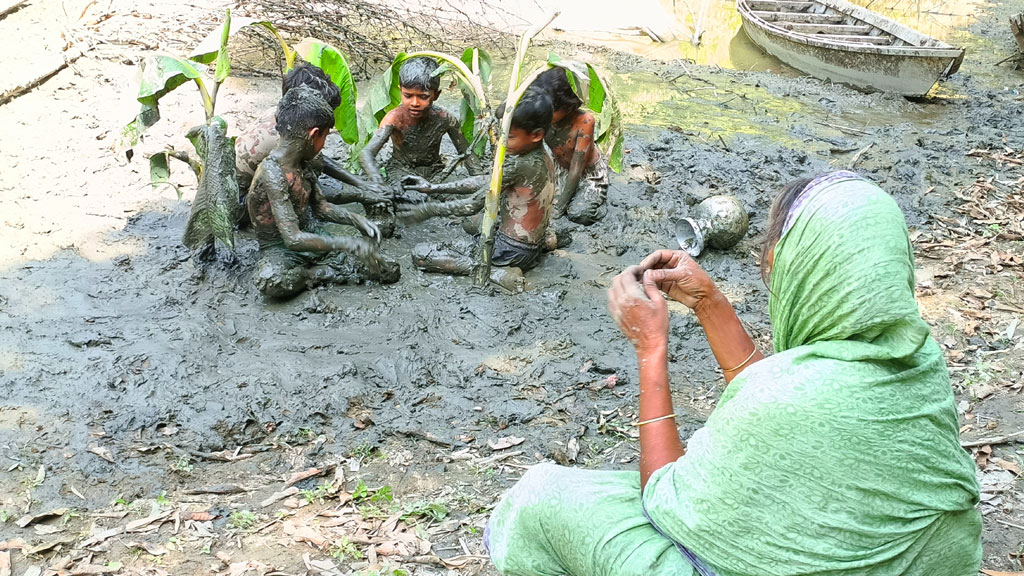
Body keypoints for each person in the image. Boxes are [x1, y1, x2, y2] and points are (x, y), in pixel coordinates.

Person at [485, 171, 982, 575]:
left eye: (777, 252)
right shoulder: (918, 362)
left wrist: (650, 348)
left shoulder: (785, 401)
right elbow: (783, 399)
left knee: (540, 499)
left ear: (810, 271)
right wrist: (709, 302)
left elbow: (664, 499)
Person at [247, 86, 400, 299]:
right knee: (271, 281)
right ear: (314, 135)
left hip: (313, 235)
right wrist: (347, 243)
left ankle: (330, 267)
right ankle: (318, 274)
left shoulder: (303, 163)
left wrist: (355, 219)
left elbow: (321, 207)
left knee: (389, 270)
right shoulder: (272, 173)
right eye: (326, 136)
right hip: (280, 249)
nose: (324, 144)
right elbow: (292, 239)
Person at [396, 90, 556, 290]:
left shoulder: (518, 164)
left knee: (420, 254)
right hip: (533, 243)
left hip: (512, 249)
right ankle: (544, 245)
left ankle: (493, 271)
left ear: (536, 135)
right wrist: (433, 187)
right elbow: (487, 181)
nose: (502, 142)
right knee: (471, 224)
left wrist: (429, 210)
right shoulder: (543, 156)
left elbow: (472, 204)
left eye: (510, 137)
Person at [235, 62, 391, 230]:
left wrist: (362, 184)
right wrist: (365, 194)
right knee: (309, 185)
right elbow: (316, 173)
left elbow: (321, 160)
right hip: (242, 204)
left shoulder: (284, 115)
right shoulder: (281, 136)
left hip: (248, 190)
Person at [359, 56, 483, 186]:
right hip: (401, 169)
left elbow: (466, 152)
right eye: (408, 96)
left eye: (423, 97)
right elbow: (367, 153)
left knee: (447, 198)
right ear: (400, 90)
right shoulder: (394, 118)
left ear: (436, 95)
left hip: (435, 170)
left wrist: (480, 180)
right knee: (407, 198)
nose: (415, 103)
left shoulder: (445, 119)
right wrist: (377, 181)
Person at [530, 66, 608, 226]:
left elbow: (576, 170)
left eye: (551, 110)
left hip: (587, 174)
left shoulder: (585, 122)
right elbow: (503, 112)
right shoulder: (542, 110)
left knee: (579, 214)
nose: (545, 112)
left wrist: (559, 209)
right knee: (536, 203)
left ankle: (601, 202)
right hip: (560, 168)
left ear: (567, 107)